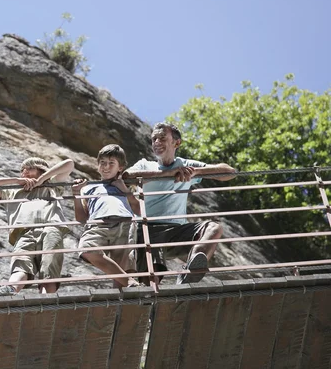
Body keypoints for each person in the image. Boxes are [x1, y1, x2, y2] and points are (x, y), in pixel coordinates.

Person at [123, 122, 236, 285]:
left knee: (214, 228)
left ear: (176, 143)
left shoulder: (186, 165)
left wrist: (196, 172)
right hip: (149, 230)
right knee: (150, 281)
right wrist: (169, 174)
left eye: (162, 138)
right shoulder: (145, 165)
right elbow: (126, 178)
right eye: (154, 139)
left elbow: (230, 172)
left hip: (178, 231)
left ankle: (190, 271)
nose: (156, 143)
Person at [0, 157, 74, 301]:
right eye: (22, 170)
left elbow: (69, 164)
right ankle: (10, 288)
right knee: (21, 262)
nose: (25, 172)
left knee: (49, 265)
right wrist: (15, 180)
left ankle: (46, 299)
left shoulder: (51, 184)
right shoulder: (12, 191)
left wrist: (42, 180)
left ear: (41, 169)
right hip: (23, 231)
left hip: (51, 227)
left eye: (30, 168)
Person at [72, 144, 140, 289]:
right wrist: (77, 194)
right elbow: (81, 218)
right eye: (102, 162)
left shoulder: (125, 186)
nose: (106, 167)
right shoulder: (88, 187)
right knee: (87, 249)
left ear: (120, 167)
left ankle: (122, 304)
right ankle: (129, 282)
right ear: (97, 165)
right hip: (98, 224)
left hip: (124, 222)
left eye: (111, 163)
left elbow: (138, 208)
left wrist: (123, 189)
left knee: (124, 265)